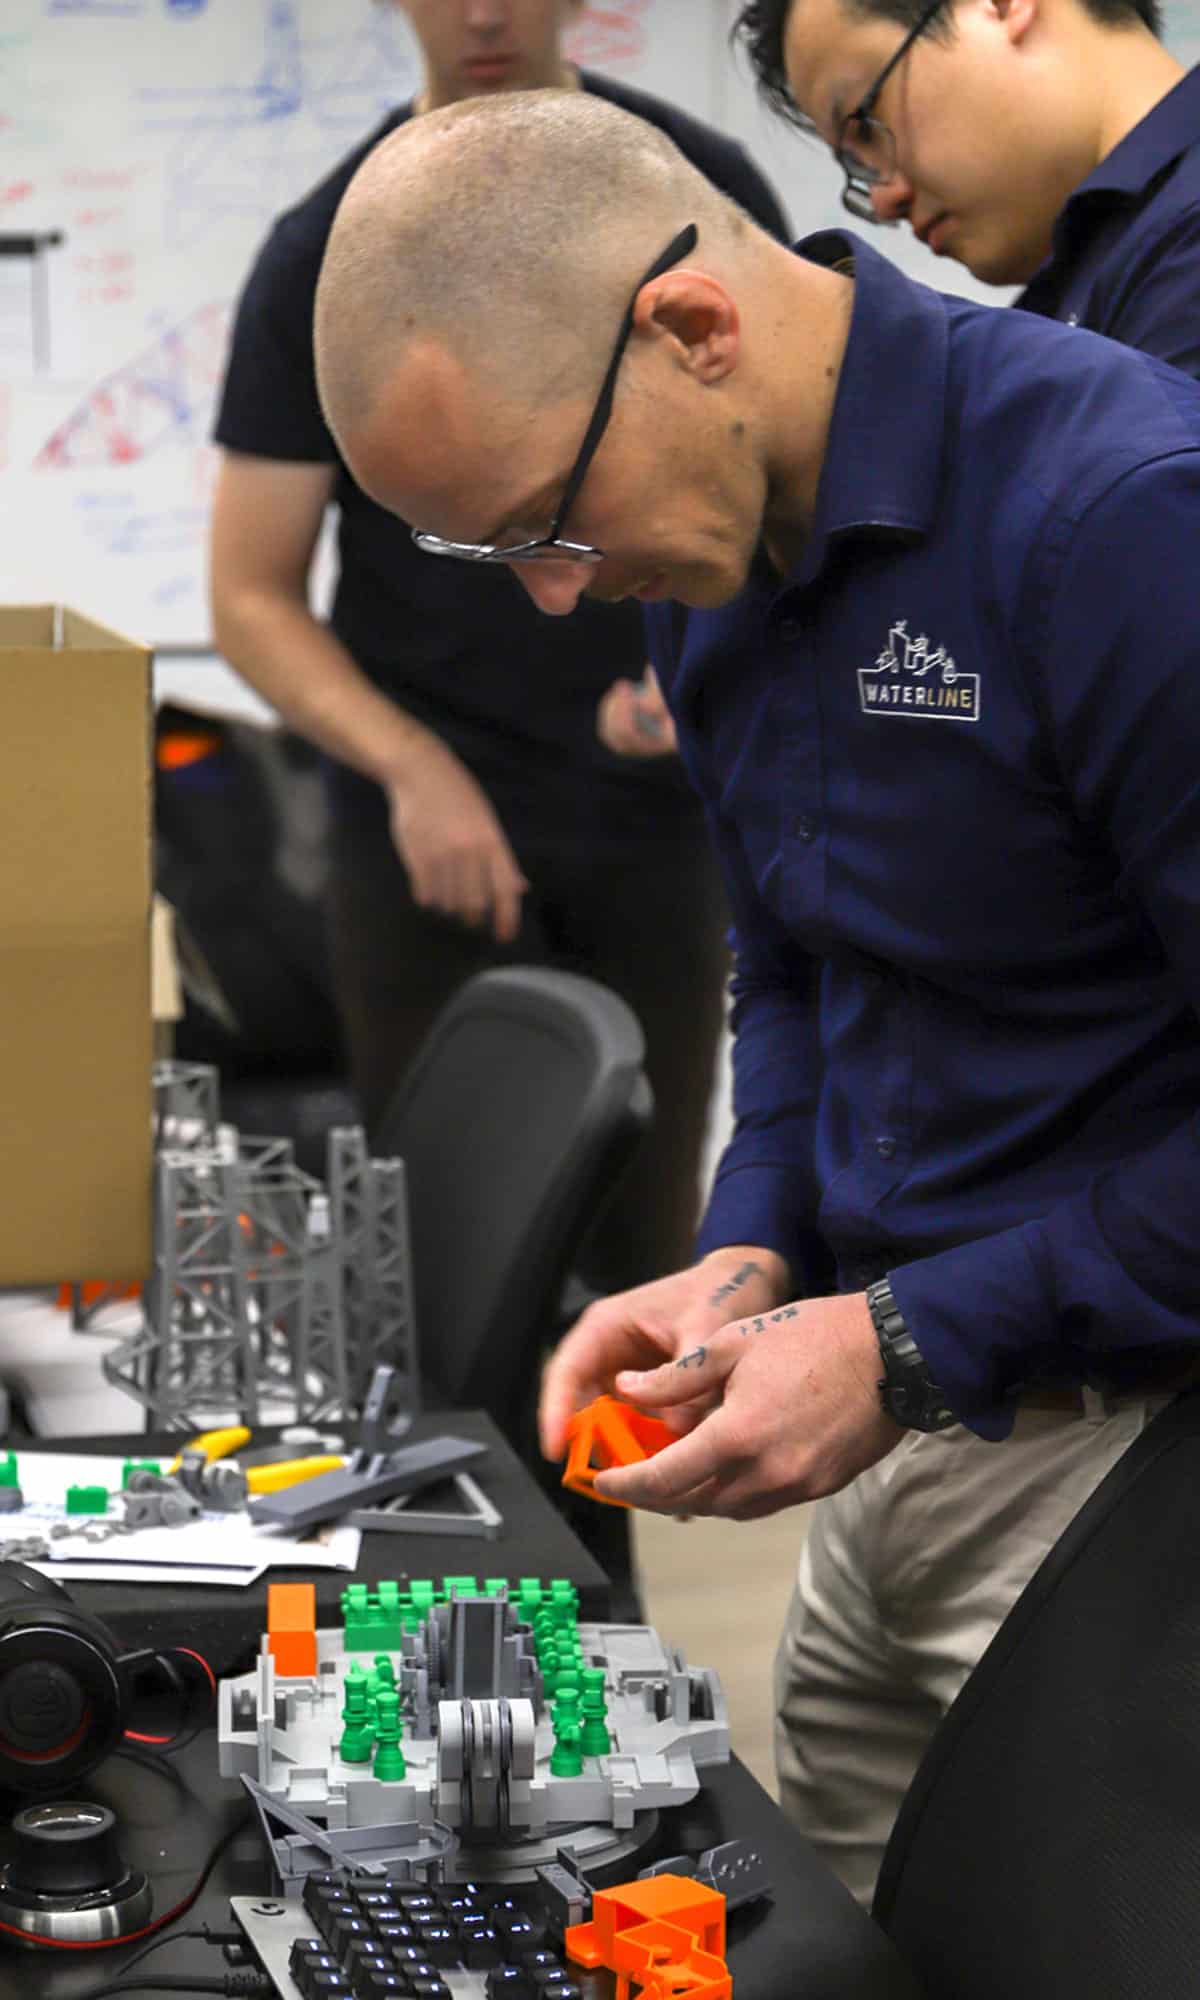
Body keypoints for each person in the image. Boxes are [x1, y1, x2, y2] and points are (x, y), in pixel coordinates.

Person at [312, 87, 1200, 1906]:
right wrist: (747, 1257)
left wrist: (896, 1346)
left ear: (692, 327)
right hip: (897, 1439)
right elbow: (797, 968)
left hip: (1128, 1473)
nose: (557, 602)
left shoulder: (1120, 520)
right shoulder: (707, 546)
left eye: (547, 523)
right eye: (499, 559)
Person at [728, 0, 1200, 1893]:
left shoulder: (1136, 392)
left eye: (870, 110)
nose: (885, 189)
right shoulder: (1073, 315)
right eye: (846, 162)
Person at [209, 1, 790, 1313]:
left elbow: (785, 478)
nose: (483, 13)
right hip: (421, 843)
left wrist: (706, 663)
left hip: (650, 826)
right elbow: (250, 594)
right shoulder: (324, 247)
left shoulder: (693, 189)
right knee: (438, 1279)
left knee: (640, 1269)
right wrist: (412, 770)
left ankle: (608, 1520)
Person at [734, 0, 1200, 371]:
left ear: (1003, 6)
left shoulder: (1181, 240)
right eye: (855, 162)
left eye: (868, 125)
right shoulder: (1117, 266)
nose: (883, 200)